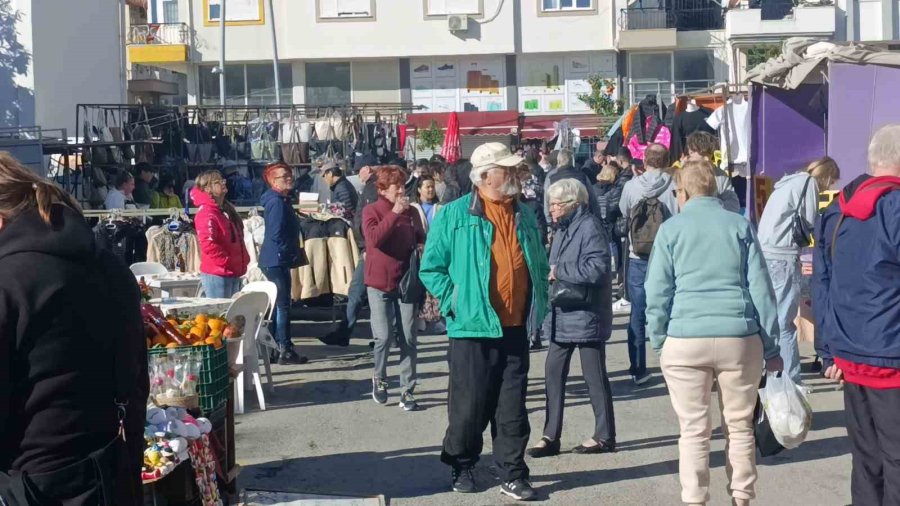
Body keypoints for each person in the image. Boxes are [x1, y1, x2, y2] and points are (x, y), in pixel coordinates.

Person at [0, 153, 147, 504]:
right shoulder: (107, 264)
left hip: (34, 482)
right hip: (109, 467)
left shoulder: (10, 281)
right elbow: (136, 380)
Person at [645, 160, 783, 506]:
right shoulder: (738, 225)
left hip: (685, 337)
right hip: (739, 335)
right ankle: (741, 496)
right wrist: (772, 346)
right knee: (739, 426)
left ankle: (694, 499)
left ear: (684, 192)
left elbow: (657, 291)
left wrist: (659, 338)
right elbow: (761, 290)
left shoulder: (671, 230)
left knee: (693, 430)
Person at [420, 142, 549, 501]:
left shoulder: (523, 212)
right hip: (471, 326)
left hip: (514, 325)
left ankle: (513, 471)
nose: (514, 175)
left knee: (512, 407)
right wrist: (454, 301)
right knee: (469, 406)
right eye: (506, 170)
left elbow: (537, 260)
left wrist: (540, 300)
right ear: (484, 176)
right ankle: (462, 463)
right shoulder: (455, 214)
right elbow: (431, 268)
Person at [814, 125, 900, 506]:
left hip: (851, 354)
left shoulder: (837, 209)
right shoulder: (895, 208)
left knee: (867, 461)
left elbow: (823, 282)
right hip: (891, 354)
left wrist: (828, 350)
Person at [527, 178, 616, 459]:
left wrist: (559, 270)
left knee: (594, 377)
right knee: (553, 374)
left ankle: (604, 435)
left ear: (571, 204)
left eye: (555, 204)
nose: (551, 209)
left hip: (586, 313)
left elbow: (598, 268)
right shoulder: (564, 228)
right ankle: (550, 435)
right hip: (562, 312)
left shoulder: (589, 226)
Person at [757, 157, 840, 385]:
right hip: (783, 255)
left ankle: (772, 374)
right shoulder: (809, 184)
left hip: (767, 252)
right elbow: (811, 221)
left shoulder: (788, 183)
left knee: (772, 316)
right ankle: (789, 381)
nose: (829, 187)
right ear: (826, 176)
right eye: (831, 182)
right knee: (785, 321)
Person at [363, 165, 425, 411]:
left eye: (402, 185)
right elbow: (374, 239)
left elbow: (421, 238)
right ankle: (379, 377)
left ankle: (407, 390)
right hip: (379, 282)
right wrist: (394, 213)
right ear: (382, 189)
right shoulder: (371, 211)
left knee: (409, 336)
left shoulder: (412, 212)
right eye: (395, 186)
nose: (401, 190)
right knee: (384, 337)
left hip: (406, 282)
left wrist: (420, 246)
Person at [618, 143, 679, 385]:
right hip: (669, 255)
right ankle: (674, 364)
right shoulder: (676, 185)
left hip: (638, 256)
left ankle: (638, 368)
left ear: (645, 161)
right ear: (667, 161)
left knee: (638, 313)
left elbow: (624, 212)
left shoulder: (632, 186)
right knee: (672, 311)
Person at [259, 162, 308, 365]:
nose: (289, 178)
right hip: (276, 259)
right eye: (283, 176)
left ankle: (275, 348)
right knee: (282, 306)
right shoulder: (277, 202)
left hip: (276, 258)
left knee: (279, 305)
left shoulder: (281, 199)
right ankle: (284, 349)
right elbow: (277, 233)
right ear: (272, 181)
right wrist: (288, 252)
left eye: (289, 174)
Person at [191, 170, 250, 299]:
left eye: (222, 180)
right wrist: (226, 261)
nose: (223, 183)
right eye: (218, 182)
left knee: (229, 313)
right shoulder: (207, 212)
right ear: (207, 189)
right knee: (220, 314)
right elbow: (208, 244)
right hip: (218, 273)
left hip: (231, 271)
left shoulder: (223, 210)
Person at [684, 131, 741, 213]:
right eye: (703, 155)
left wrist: (712, 208)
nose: (707, 159)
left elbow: (734, 205)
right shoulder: (683, 174)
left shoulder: (720, 175)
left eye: (692, 152)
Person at [544, 149, 602, 222]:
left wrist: (549, 220)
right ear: (572, 161)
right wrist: (598, 216)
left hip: (559, 217)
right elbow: (592, 198)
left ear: (558, 161)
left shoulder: (551, 177)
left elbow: (546, 200)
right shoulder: (582, 176)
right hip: (580, 217)